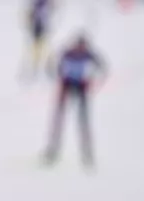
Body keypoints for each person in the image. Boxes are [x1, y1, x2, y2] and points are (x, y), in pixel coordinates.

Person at [42, 33, 107, 168]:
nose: (80, 49)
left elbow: (102, 67)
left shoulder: (89, 54)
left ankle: (87, 154)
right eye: (78, 46)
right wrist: (57, 75)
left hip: (81, 87)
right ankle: (52, 151)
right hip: (66, 86)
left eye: (82, 46)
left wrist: (94, 80)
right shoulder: (67, 52)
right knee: (58, 120)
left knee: (83, 122)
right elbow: (50, 63)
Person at [22, 0, 54, 80]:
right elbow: (29, 16)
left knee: (45, 48)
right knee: (36, 49)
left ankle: (46, 66)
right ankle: (35, 66)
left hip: (43, 30)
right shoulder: (36, 5)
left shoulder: (44, 5)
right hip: (37, 30)